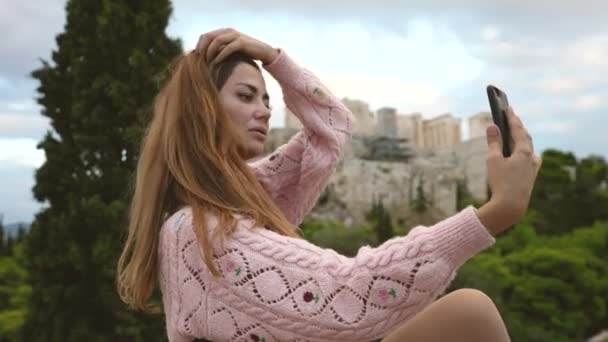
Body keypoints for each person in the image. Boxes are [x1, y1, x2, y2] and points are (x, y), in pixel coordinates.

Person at [116, 28, 541, 342]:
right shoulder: (200, 230)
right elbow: (346, 295)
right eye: (246, 96)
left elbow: (334, 126)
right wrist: (495, 213)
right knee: (471, 312)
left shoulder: (242, 200)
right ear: (201, 109)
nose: (264, 110)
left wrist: (273, 58)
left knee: (466, 315)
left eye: (266, 99)